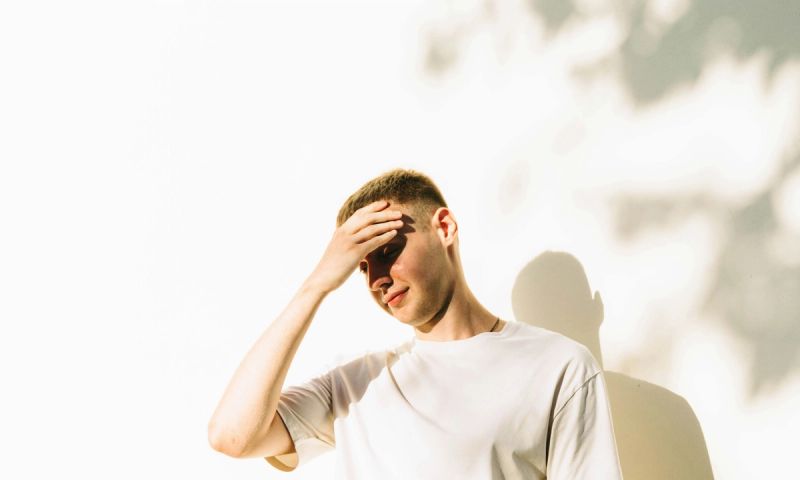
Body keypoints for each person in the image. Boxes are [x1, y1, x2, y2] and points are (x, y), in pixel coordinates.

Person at [208, 168, 623, 479]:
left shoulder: (558, 366)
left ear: (444, 228)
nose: (376, 279)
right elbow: (231, 435)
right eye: (360, 266)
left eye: (387, 250)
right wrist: (316, 285)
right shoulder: (354, 387)